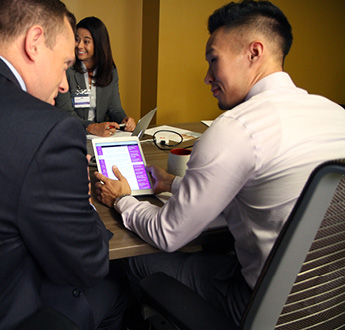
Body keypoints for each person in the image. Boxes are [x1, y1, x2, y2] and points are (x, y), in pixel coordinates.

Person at [95, 0, 345, 326]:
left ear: (254, 52)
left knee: (138, 262)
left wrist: (122, 200)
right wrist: (171, 184)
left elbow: (168, 234)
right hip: (329, 303)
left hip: (259, 308)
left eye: (214, 60)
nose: (207, 77)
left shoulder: (236, 128)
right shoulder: (335, 115)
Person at [0, 1, 126, 329]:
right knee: (115, 289)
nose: (64, 84)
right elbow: (87, 264)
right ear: (35, 42)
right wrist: (81, 201)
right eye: (64, 62)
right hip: (18, 310)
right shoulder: (47, 131)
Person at [55, 16, 136, 137]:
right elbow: (65, 112)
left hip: (101, 136)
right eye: (77, 40)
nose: (79, 46)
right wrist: (92, 127)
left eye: (86, 41)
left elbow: (115, 109)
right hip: (72, 134)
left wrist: (124, 120)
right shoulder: (66, 69)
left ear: (99, 44)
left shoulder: (110, 71)